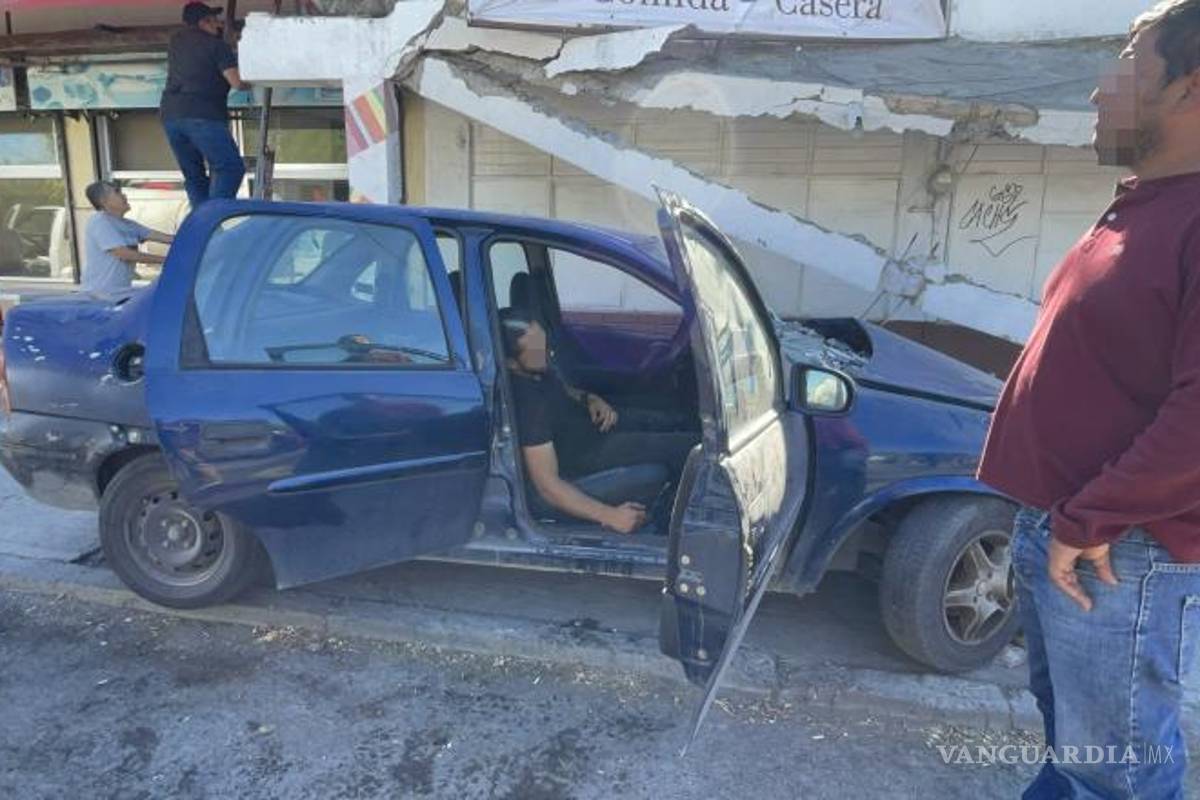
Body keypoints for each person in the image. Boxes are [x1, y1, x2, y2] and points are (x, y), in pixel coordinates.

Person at [978, 1, 1200, 797]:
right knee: (1077, 757)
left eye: (1128, 68)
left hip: (1119, 551)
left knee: (1117, 776)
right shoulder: (1148, 205)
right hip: (1076, 534)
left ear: (1190, 88)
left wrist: (1088, 518)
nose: (1100, 89)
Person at [499, 308, 697, 535]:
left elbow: (566, 390)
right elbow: (547, 485)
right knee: (687, 449)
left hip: (595, 429)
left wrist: (590, 399)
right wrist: (610, 516)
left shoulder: (536, 372)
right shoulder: (528, 404)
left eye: (543, 342)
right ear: (510, 362)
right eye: (537, 349)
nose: (548, 351)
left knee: (675, 418)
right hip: (589, 456)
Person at [160, 2, 250, 209]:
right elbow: (237, 82)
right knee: (229, 168)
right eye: (215, 21)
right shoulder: (216, 46)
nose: (219, 25)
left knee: (194, 175)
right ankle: (213, 216)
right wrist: (255, 79)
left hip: (171, 115)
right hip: (203, 114)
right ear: (204, 22)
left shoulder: (176, 42)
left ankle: (201, 219)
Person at [81, 181, 174, 295]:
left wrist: (189, 240)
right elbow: (124, 254)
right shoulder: (99, 221)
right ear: (103, 201)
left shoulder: (129, 225)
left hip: (120, 292)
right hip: (99, 295)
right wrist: (168, 260)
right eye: (117, 192)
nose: (124, 195)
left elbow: (164, 238)